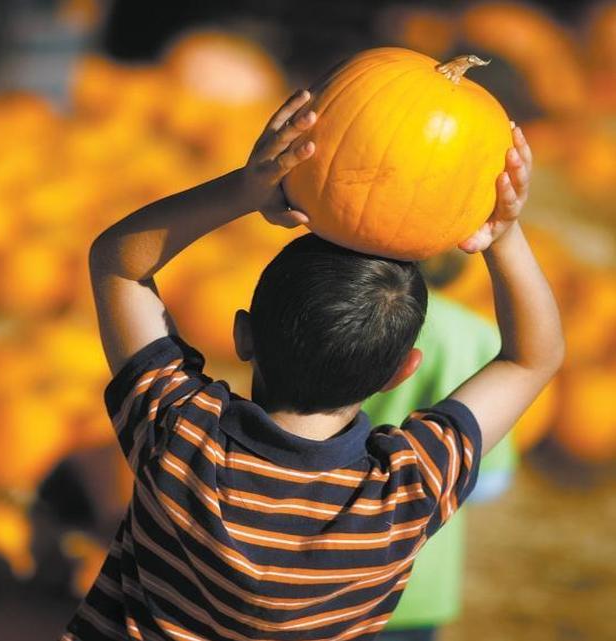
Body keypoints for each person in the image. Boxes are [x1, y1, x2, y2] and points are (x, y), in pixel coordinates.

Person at [61, 89, 562, 640]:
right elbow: (531, 359)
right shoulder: (405, 492)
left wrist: (245, 189)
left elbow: (118, 263)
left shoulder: (179, 434)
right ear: (402, 372)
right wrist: (503, 234)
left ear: (243, 335)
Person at [363, 288, 514, 641]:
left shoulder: (351, 308)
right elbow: (491, 481)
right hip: (419, 582)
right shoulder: (476, 332)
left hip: (330, 585)